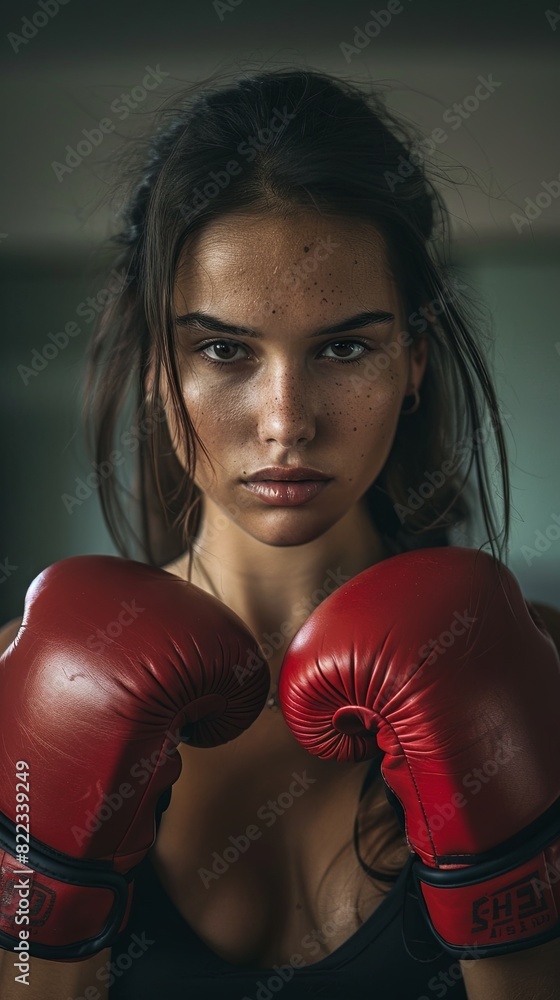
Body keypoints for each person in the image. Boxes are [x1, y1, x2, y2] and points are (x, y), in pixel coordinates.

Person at [1, 65, 560, 1000]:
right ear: (155, 367)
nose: (285, 419)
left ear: (414, 360)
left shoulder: (537, 673)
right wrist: (41, 924)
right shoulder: (24, 684)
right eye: (224, 350)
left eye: (344, 347)